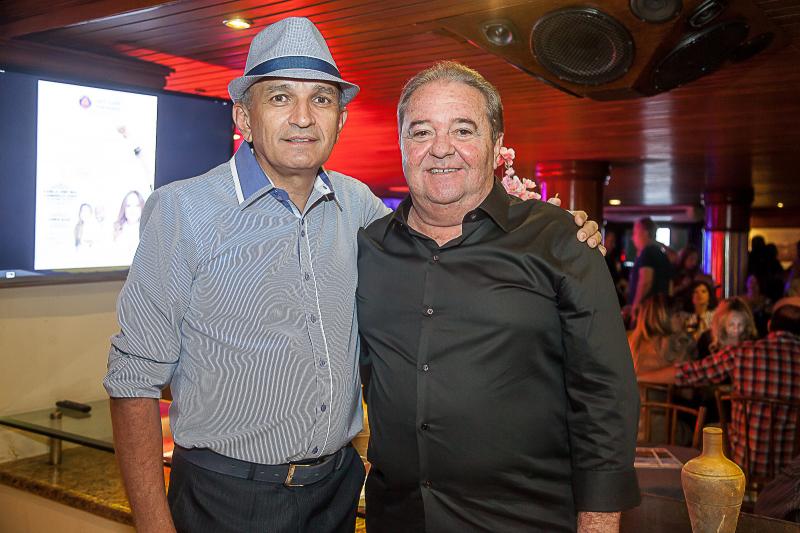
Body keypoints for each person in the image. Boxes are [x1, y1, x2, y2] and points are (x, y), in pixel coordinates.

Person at [103, 19, 604, 533]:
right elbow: (133, 379)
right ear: (244, 117)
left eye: (320, 99)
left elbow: (445, 232)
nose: (302, 118)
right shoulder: (182, 211)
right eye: (280, 97)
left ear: (340, 119)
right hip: (226, 498)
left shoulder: (357, 205)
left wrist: (550, 231)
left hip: (336, 493)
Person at [357, 61, 640, 533]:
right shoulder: (369, 247)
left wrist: (598, 523)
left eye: (463, 130)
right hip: (399, 519)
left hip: (523, 520)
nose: (441, 148)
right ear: (402, 144)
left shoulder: (558, 241)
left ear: (496, 145)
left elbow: (604, 393)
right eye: (421, 131)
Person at [638, 297, 800, 480]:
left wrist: (638, 377)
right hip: (790, 478)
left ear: (770, 326)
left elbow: (687, 374)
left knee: (711, 431)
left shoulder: (742, 352)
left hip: (743, 465)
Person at [628, 294, 693, 375]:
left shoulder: (668, 342)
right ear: (660, 317)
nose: (683, 318)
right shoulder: (646, 357)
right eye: (677, 315)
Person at [627, 217, 672, 318]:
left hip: (646, 311)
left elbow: (645, 282)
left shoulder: (647, 252)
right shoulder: (659, 253)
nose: (632, 237)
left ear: (645, 233)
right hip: (657, 309)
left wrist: (635, 306)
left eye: (635, 232)